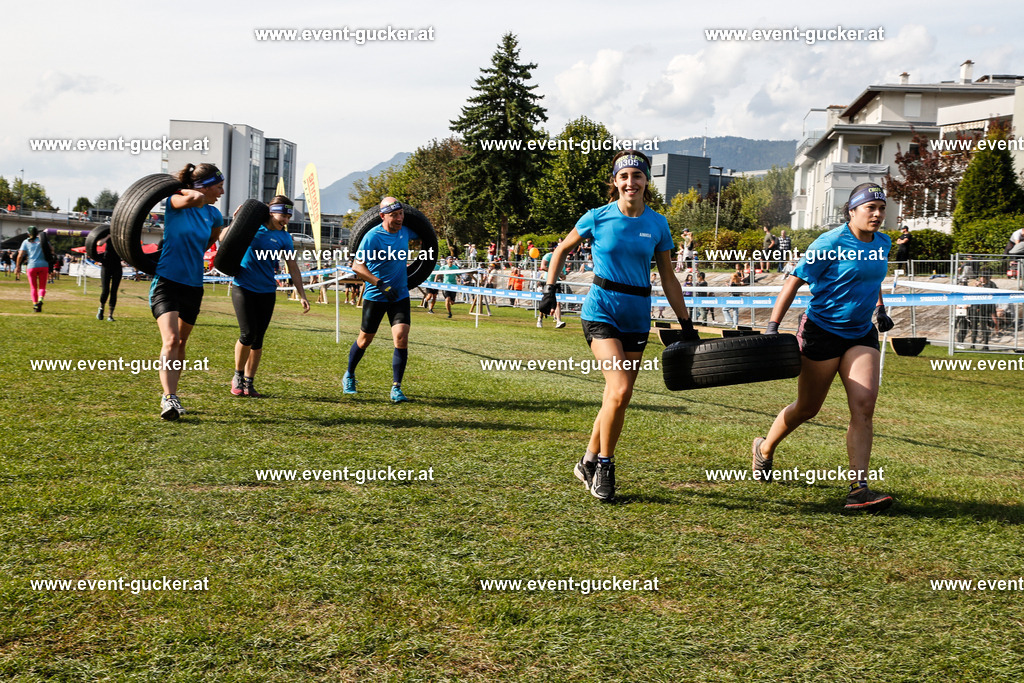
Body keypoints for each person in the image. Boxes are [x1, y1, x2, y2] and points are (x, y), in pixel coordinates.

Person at [539, 149, 693, 503]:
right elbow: (562, 249)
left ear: (645, 181)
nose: (630, 182)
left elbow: (668, 277)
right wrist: (550, 289)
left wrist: (685, 322)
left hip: (637, 314)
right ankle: (605, 467)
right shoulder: (597, 217)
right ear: (615, 181)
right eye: (623, 176)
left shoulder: (657, 223)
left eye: (637, 176)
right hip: (601, 310)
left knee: (616, 397)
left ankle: (588, 460)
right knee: (621, 389)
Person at [752, 183, 895, 512]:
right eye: (870, 208)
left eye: (881, 208)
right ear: (852, 211)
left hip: (861, 334)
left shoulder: (882, 243)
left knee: (863, 405)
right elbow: (794, 280)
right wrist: (773, 327)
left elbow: (871, 280)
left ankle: (859, 490)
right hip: (822, 332)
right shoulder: (830, 243)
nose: (877, 214)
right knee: (808, 407)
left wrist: (880, 308)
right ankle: (764, 447)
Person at [151, 163, 225, 420]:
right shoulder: (175, 201)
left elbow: (210, 240)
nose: (222, 191)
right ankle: (169, 397)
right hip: (167, 281)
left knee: (181, 342)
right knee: (170, 340)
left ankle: (172, 392)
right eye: (218, 186)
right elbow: (192, 197)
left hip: (193, 285)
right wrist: (192, 190)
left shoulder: (214, 215)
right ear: (203, 186)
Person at [230, 195, 310, 397]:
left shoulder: (284, 238)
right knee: (247, 334)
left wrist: (301, 294)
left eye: (289, 216)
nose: (286, 220)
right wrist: (236, 222)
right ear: (271, 211)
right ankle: (238, 375)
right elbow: (225, 239)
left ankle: (249, 382)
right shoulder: (253, 227)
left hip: (266, 291)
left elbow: (292, 266)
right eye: (283, 215)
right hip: (243, 287)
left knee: (258, 340)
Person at [344, 197, 416, 403]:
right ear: (383, 216)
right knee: (365, 340)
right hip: (376, 294)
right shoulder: (372, 236)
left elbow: (426, 234)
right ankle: (349, 374)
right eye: (394, 215)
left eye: (401, 214)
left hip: (399, 294)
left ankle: (396, 388)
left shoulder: (405, 231)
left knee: (401, 336)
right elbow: (357, 266)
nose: (399, 219)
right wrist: (379, 283)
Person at [15, 226, 52, 312]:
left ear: (28, 233)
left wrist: (18, 266)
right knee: (42, 286)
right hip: (44, 265)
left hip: (31, 266)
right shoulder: (42, 241)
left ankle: (35, 305)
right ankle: (41, 300)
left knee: (33, 287)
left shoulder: (25, 242)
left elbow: (20, 255)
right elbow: (51, 249)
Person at [97, 233, 124, 321]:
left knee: (114, 291)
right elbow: (99, 243)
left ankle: (110, 315)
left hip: (117, 266)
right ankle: (101, 309)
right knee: (105, 290)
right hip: (106, 264)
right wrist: (108, 236)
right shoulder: (108, 236)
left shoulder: (121, 239)